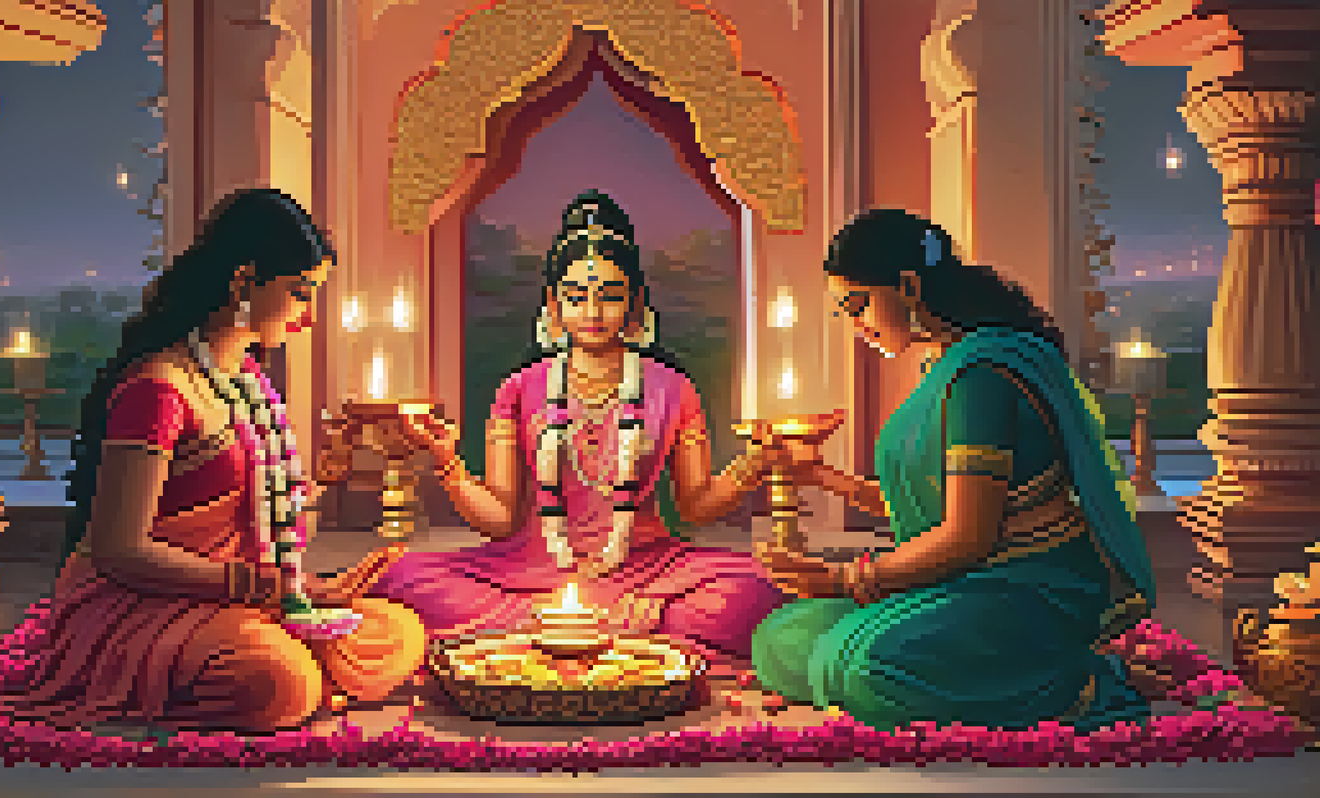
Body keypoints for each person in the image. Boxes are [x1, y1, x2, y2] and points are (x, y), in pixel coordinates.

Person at [0, 189, 424, 732]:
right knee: (280, 681)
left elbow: (262, 513)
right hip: (147, 601)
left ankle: (301, 673)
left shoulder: (246, 383)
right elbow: (117, 549)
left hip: (240, 600)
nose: (308, 318)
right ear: (244, 282)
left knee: (401, 630)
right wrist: (261, 588)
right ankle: (290, 682)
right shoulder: (158, 390)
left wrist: (321, 503)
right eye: (299, 294)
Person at [751, 208, 1156, 732]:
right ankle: (955, 671)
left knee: (867, 666)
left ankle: (1074, 677)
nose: (857, 326)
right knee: (779, 638)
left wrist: (842, 579)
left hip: (1024, 589)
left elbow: (967, 536)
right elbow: (932, 505)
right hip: (957, 586)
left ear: (908, 285)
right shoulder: (943, 368)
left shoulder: (980, 376)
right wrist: (823, 477)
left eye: (859, 305)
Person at [365, 190, 788, 664]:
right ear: (553, 303)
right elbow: (500, 519)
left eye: (609, 297)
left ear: (634, 303)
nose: (592, 312)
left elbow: (694, 506)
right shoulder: (520, 389)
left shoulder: (673, 389)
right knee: (403, 578)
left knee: (755, 590)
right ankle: (613, 626)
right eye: (576, 296)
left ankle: (563, 625)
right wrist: (446, 462)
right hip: (533, 570)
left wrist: (754, 465)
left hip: (646, 567)